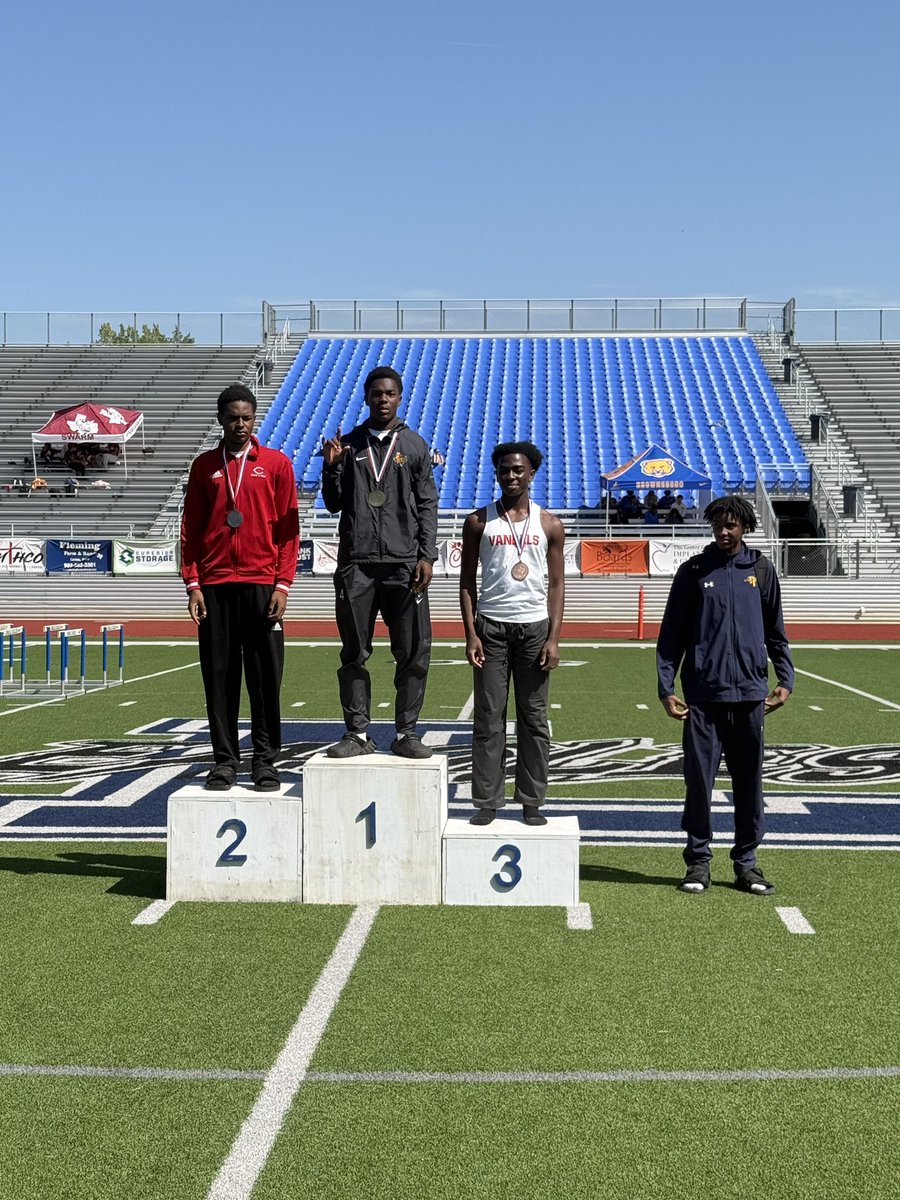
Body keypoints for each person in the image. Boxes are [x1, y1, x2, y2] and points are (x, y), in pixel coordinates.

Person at [656, 495, 794, 895]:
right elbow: (672, 636)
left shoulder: (762, 571)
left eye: (731, 524)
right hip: (703, 698)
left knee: (750, 784)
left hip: (751, 697)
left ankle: (746, 864)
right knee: (699, 783)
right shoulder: (694, 571)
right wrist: (666, 687)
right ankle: (698, 863)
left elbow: (775, 632)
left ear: (744, 527)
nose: (723, 531)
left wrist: (785, 677)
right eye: (718, 524)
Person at [181, 383, 299, 791]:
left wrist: (282, 585)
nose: (241, 425)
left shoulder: (277, 465)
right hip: (214, 586)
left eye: (247, 418)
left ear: (255, 419)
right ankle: (225, 761)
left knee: (266, 679)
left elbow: (289, 532)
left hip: (262, 586)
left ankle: (265, 760)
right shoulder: (203, 467)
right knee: (220, 678)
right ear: (221, 419)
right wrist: (193, 583)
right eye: (233, 417)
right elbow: (190, 529)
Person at [321, 365, 438, 759]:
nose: (383, 399)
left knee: (413, 650)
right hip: (358, 564)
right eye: (376, 393)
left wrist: (427, 554)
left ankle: (407, 732)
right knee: (354, 651)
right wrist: (331, 467)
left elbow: (427, 505)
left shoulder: (416, 446)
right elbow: (335, 503)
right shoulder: (349, 444)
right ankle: (357, 733)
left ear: (399, 397)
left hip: (405, 565)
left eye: (390, 393)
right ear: (367, 397)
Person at [460, 441, 566, 826]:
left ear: (532, 474)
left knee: (534, 719)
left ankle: (531, 801)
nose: (511, 476)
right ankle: (487, 800)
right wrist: (471, 633)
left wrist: (554, 638)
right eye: (504, 470)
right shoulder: (479, 521)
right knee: (488, 718)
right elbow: (467, 582)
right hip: (491, 627)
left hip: (534, 628)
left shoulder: (549, 524)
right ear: (497, 473)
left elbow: (556, 584)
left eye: (518, 470)